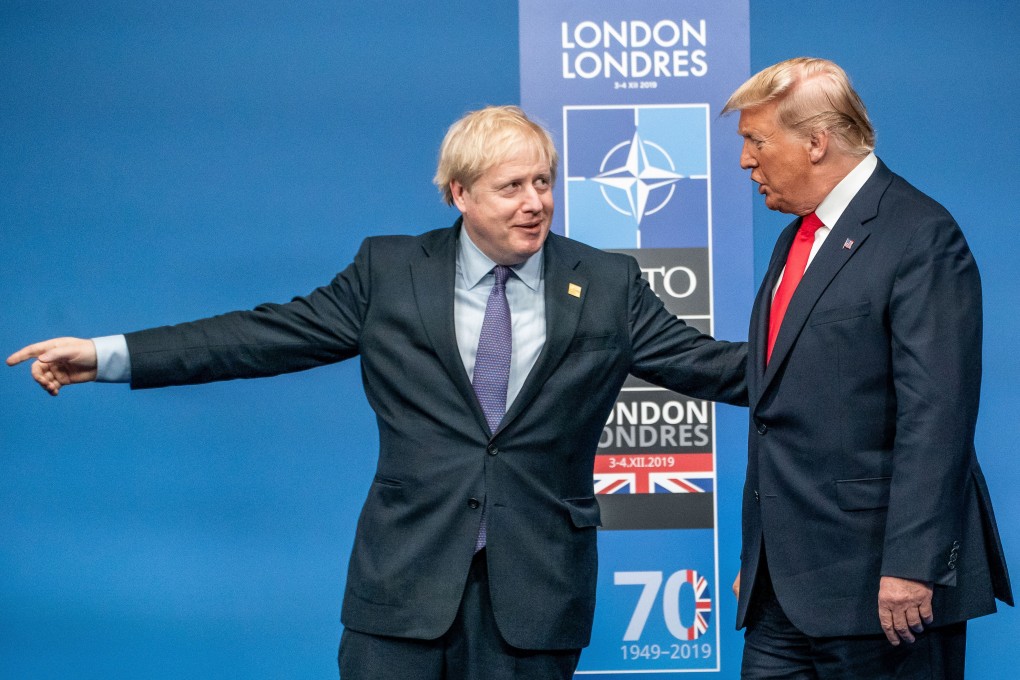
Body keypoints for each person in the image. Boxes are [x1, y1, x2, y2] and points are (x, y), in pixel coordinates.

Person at [7, 105, 748, 679]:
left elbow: (707, 365)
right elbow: (261, 336)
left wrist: (844, 366)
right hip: (402, 588)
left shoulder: (606, 283)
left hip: (536, 594)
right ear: (459, 193)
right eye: (511, 186)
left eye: (544, 182)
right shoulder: (391, 272)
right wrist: (108, 356)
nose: (535, 203)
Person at [721, 58, 1012, 679]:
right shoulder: (800, 235)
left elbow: (937, 415)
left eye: (756, 140)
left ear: (816, 142)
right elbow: (785, 377)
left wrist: (913, 564)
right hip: (785, 593)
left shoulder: (920, 235)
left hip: (885, 593)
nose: (746, 160)